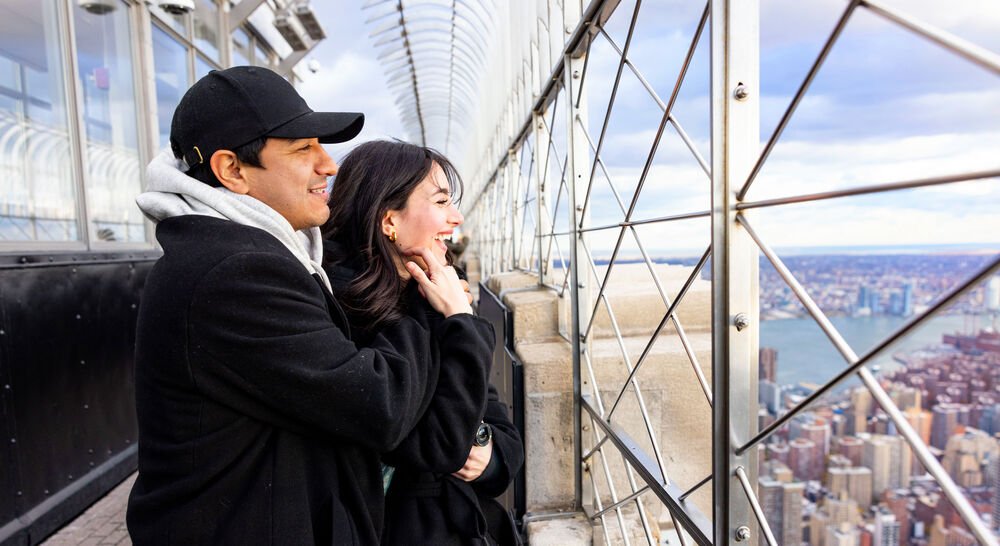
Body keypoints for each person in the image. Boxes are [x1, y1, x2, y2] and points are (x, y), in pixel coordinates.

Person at [127, 67, 495, 545]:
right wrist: (436, 305)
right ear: (232, 170)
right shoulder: (234, 273)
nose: (328, 165)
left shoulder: (256, 256)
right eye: (303, 149)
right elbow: (380, 407)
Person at [322, 140, 524, 546]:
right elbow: (439, 444)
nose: (457, 217)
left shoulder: (427, 291)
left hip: (457, 521)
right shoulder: (339, 309)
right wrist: (459, 321)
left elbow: (501, 428)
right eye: (442, 201)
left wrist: (488, 453)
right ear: (389, 220)